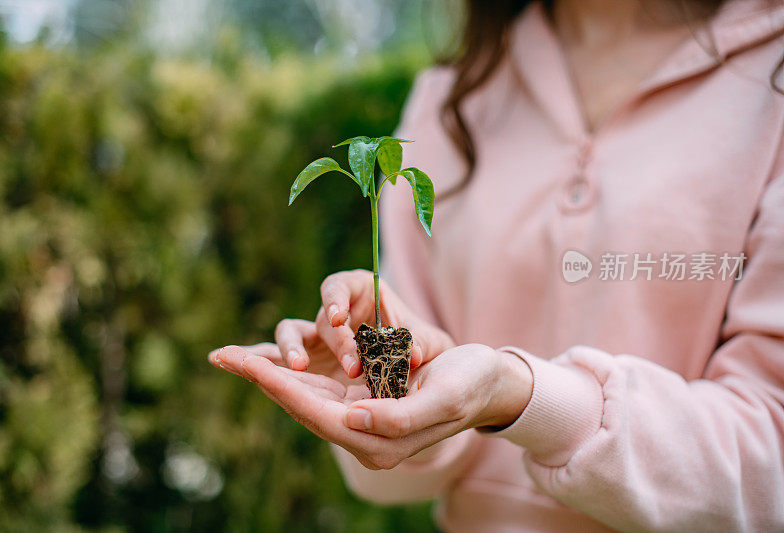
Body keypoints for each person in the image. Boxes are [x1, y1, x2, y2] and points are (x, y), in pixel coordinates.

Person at [209, 0, 784, 530]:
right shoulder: (454, 94)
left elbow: (772, 464)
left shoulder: (769, 80)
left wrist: (521, 397)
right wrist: (385, 391)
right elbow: (396, 470)